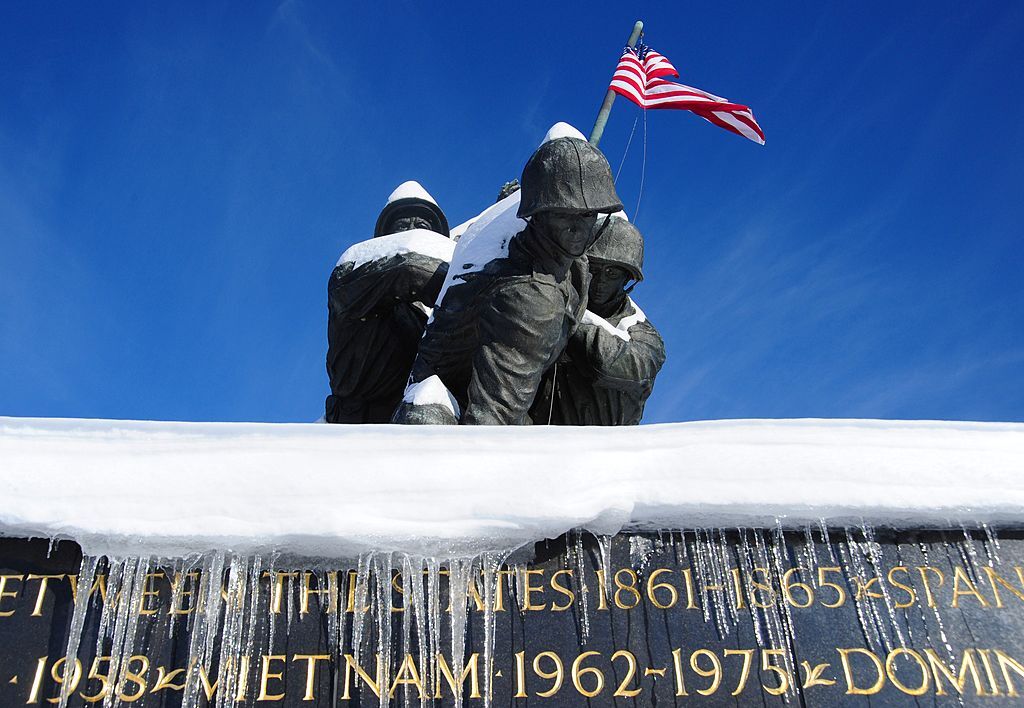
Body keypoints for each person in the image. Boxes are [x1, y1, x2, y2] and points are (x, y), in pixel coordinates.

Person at [395, 124, 623, 425]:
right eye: (563, 213)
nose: (577, 227)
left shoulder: (568, 263)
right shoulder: (528, 294)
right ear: (537, 214)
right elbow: (492, 422)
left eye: (587, 213)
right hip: (445, 408)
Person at [324, 181, 453, 423]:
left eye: (422, 227)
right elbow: (410, 268)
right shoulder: (353, 273)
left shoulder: (429, 316)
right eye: (402, 226)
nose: (412, 232)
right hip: (358, 430)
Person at [530, 216, 665, 425]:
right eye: (593, 268)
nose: (600, 280)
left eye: (612, 272)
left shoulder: (642, 333)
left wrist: (572, 322)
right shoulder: (556, 299)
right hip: (535, 438)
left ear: (627, 277)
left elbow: (624, 366)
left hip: (602, 448)